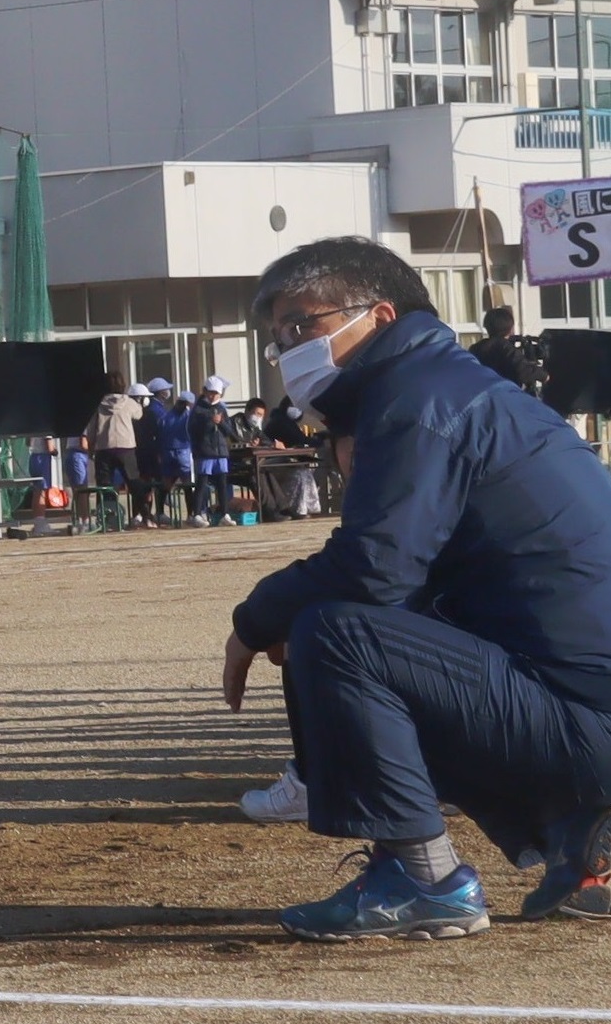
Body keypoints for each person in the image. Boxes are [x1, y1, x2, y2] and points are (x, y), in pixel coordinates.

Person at [222, 237, 611, 938]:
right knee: (369, 622)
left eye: (299, 326)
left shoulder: (418, 400)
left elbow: (371, 569)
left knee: (335, 630)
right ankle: (585, 834)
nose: (285, 350)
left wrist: (254, 619)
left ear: (376, 314)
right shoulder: (452, 385)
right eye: (276, 335)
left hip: (583, 716)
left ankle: (421, 877)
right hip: (581, 699)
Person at [189, 376, 235, 526]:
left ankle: (225, 514)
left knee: (222, 483)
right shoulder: (198, 409)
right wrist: (210, 421)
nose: (213, 396)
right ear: (205, 391)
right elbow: (193, 430)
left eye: (216, 393)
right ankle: (196, 514)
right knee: (202, 483)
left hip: (220, 450)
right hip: (205, 451)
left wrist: (220, 422)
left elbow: (229, 431)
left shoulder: (222, 408)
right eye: (210, 392)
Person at [470, 304, 537, 392]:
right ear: (509, 328)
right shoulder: (506, 347)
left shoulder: (475, 348)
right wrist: (544, 376)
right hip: (507, 394)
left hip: (483, 392)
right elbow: (523, 370)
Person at [159, 387, 197, 524]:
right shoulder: (188, 416)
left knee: (167, 483)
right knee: (186, 484)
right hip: (183, 452)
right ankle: (191, 514)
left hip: (169, 452)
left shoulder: (166, 416)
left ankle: (160, 512)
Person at [134, 379, 167, 526]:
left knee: (147, 485)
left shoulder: (144, 412)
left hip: (141, 453)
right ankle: (144, 514)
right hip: (146, 453)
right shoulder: (151, 413)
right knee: (146, 485)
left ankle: (144, 514)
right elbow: (159, 432)